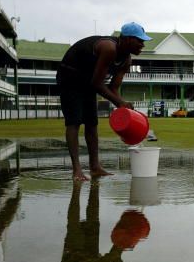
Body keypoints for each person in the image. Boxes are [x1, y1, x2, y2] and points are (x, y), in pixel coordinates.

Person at [57, 22, 152, 181]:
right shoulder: (109, 48)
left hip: (88, 80)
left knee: (92, 123)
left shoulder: (126, 61)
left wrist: (123, 104)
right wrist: (119, 103)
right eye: (140, 41)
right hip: (70, 77)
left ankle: (95, 167)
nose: (143, 45)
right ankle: (77, 170)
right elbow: (97, 84)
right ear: (127, 39)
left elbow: (113, 88)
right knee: (74, 122)